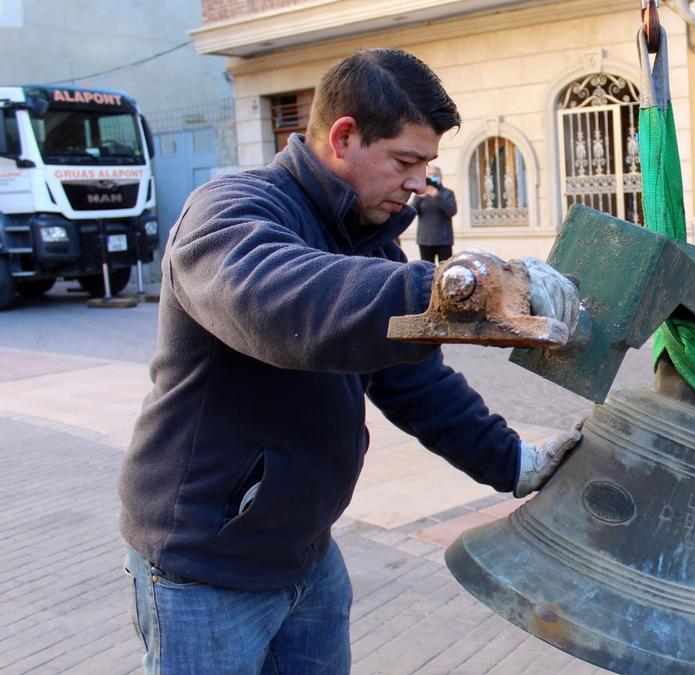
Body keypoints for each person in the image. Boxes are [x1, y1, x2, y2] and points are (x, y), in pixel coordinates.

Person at [117, 49, 581, 673]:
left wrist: (515, 462)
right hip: (205, 571)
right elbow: (280, 307)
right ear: (343, 137)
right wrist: (456, 290)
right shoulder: (228, 213)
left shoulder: (374, 247)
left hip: (308, 557)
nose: (420, 185)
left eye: (428, 166)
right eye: (405, 162)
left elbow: (415, 383)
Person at [413, 165, 457, 263]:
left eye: (435, 175)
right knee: (427, 271)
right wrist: (419, 197)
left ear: (441, 177)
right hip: (425, 240)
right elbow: (412, 211)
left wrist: (437, 196)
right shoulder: (421, 194)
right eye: (430, 175)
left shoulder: (447, 193)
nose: (432, 177)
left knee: (445, 270)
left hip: (444, 240)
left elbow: (452, 211)